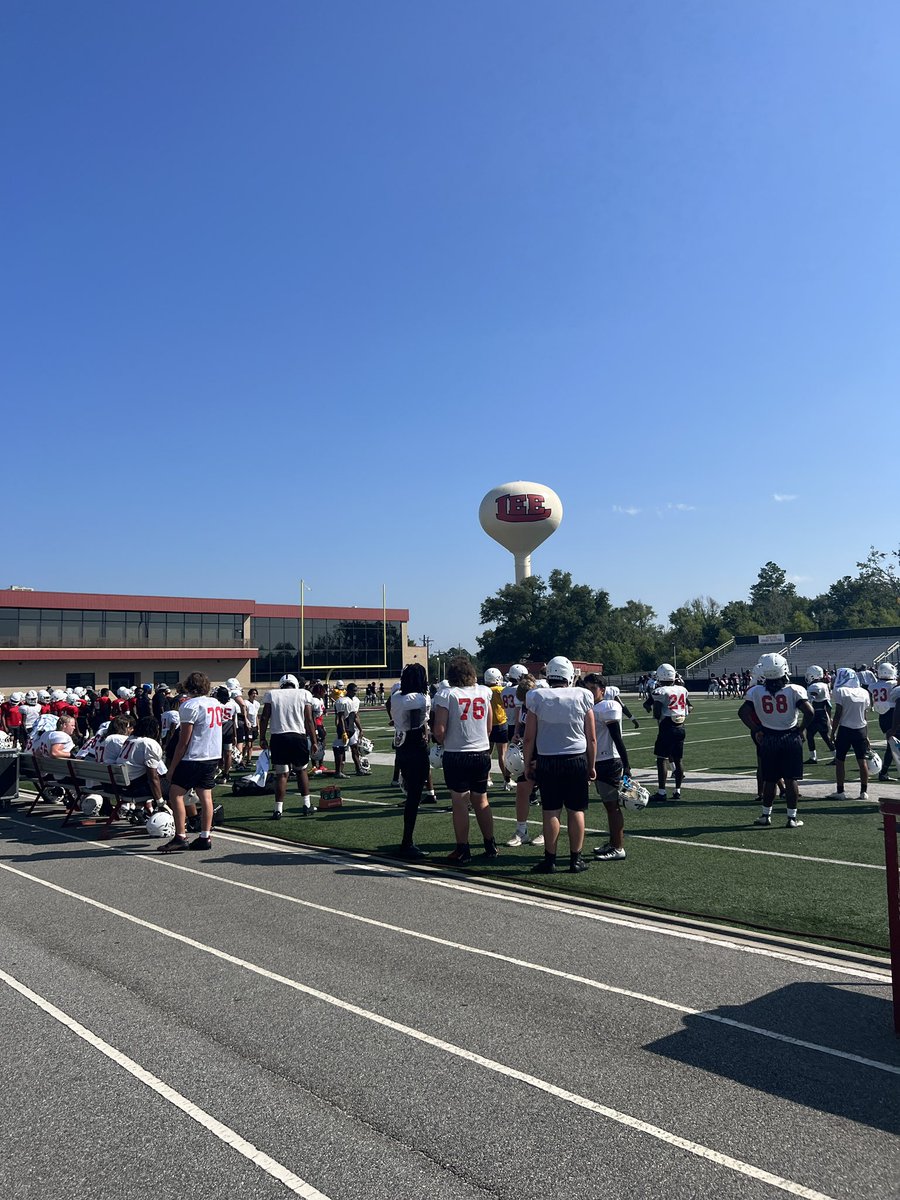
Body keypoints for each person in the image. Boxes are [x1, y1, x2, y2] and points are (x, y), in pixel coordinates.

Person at [523, 655, 595, 874]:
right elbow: (591, 738)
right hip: (576, 759)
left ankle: (550, 860)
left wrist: (527, 764)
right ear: (569, 675)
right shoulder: (583, 695)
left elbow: (529, 738)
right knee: (576, 810)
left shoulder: (537, 696)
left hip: (548, 759)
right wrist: (591, 765)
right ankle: (575, 860)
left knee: (550, 810)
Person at [432, 656, 496, 864]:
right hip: (482, 752)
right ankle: (490, 845)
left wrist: (438, 738)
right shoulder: (483, 692)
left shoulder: (447, 694)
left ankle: (463, 849)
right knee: (481, 800)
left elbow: (440, 731)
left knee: (459, 802)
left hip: (457, 754)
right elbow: (488, 727)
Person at [738, 652, 813, 828]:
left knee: (770, 779)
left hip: (769, 737)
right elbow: (809, 712)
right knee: (790, 779)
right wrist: (801, 730)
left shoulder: (756, 691)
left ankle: (765, 815)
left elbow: (742, 712)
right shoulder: (795, 689)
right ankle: (792, 818)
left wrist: (756, 729)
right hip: (790, 737)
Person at [160, 672, 223, 853]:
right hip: (212, 755)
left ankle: (180, 836)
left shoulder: (190, 705)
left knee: (175, 793)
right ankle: (205, 836)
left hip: (195, 756)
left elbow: (183, 741)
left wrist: (172, 768)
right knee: (206, 797)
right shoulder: (215, 703)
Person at [582, 674, 632, 862]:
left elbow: (617, 738)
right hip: (598, 760)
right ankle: (613, 843)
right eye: (586, 688)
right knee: (608, 805)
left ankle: (618, 847)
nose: (589, 692)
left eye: (592, 688)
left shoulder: (608, 706)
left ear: (602, 690)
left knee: (612, 807)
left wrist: (626, 764)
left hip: (609, 761)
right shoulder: (590, 707)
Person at [258, 673, 318, 819]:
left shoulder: (272, 694)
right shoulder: (304, 694)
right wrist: (314, 741)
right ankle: (306, 804)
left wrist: (262, 737)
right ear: (295, 684)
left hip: (279, 737)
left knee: (282, 774)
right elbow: (309, 720)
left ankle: (278, 809)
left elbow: (265, 717)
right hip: (298, 736)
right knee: (301, 771)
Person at [390, 663, 432, 859]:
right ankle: (407, 842)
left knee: (412, 795)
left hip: (401, 746)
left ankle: (407, 841)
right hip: (415, 746)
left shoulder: (396, 697)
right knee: (414, 797)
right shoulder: (418, 699)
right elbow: (416, 723)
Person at [644, 663, 690, 800]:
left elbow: (657, 712)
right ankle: (677, 791)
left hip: (667, 726)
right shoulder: (682, 689)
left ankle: (662, 792)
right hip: (681, 727)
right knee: (678, 759)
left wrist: (654, 712)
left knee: (661, 759)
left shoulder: (660, 691)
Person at [826, 668, 872, 802]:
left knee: (840, 761)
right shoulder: (864, 692)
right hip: (861, 729)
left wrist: (833, 732)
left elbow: (838, 713)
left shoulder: (841, 691)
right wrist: (867, 734)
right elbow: (865, 715)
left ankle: (840, 791)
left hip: (845, 729)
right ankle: (864, 792)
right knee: (862, 761)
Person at [484, 667, 511, 788]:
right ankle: (506, 780)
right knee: (502, 755)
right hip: (500, 723)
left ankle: (487, 778)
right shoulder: (501, 690)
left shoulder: (483, 690)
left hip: (487, 725)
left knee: (487, 754)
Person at [870, 662, 898, 781]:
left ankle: (885, 771)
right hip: (893, 715)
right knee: (892, 746)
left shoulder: (873, 685)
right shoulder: (893, 684)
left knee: (892, 745)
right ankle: (884, 772)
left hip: (882, 717)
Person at [334, 683, 368, 776]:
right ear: (348, 691)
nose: (355, 693)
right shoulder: (342, 701)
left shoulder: (356, 700)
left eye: (356, 691)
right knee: (339, 749)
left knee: (354, 748)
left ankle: (358, 769)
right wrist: (343, 731)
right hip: (344, 728)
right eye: (353, 691)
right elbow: (340, 718)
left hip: (352, 728)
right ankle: (338, 771)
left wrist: (361, 729)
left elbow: (356, 716)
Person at [803, 666, 834, 764]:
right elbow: (828, 705)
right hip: (821, 713)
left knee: (825, 736)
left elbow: (813, 696)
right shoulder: (824, 685)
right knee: (810, 735)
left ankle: (836, 756)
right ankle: (813, 757)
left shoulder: (815, 686)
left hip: (817, 714)